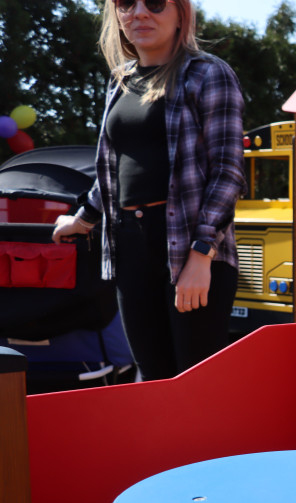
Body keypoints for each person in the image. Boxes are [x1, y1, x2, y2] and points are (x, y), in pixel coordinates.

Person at [52, 0, 244, 380]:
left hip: (189, 247)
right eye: (126, 3)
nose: (140, 13)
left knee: (194, 381)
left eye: (155, 3)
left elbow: (228, 172)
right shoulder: (119, 80)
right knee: (151, 379)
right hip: (129, 246)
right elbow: (114, 170)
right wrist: (83, 219)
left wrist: (202, 254)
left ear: (180, 14)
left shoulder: (208, 73)